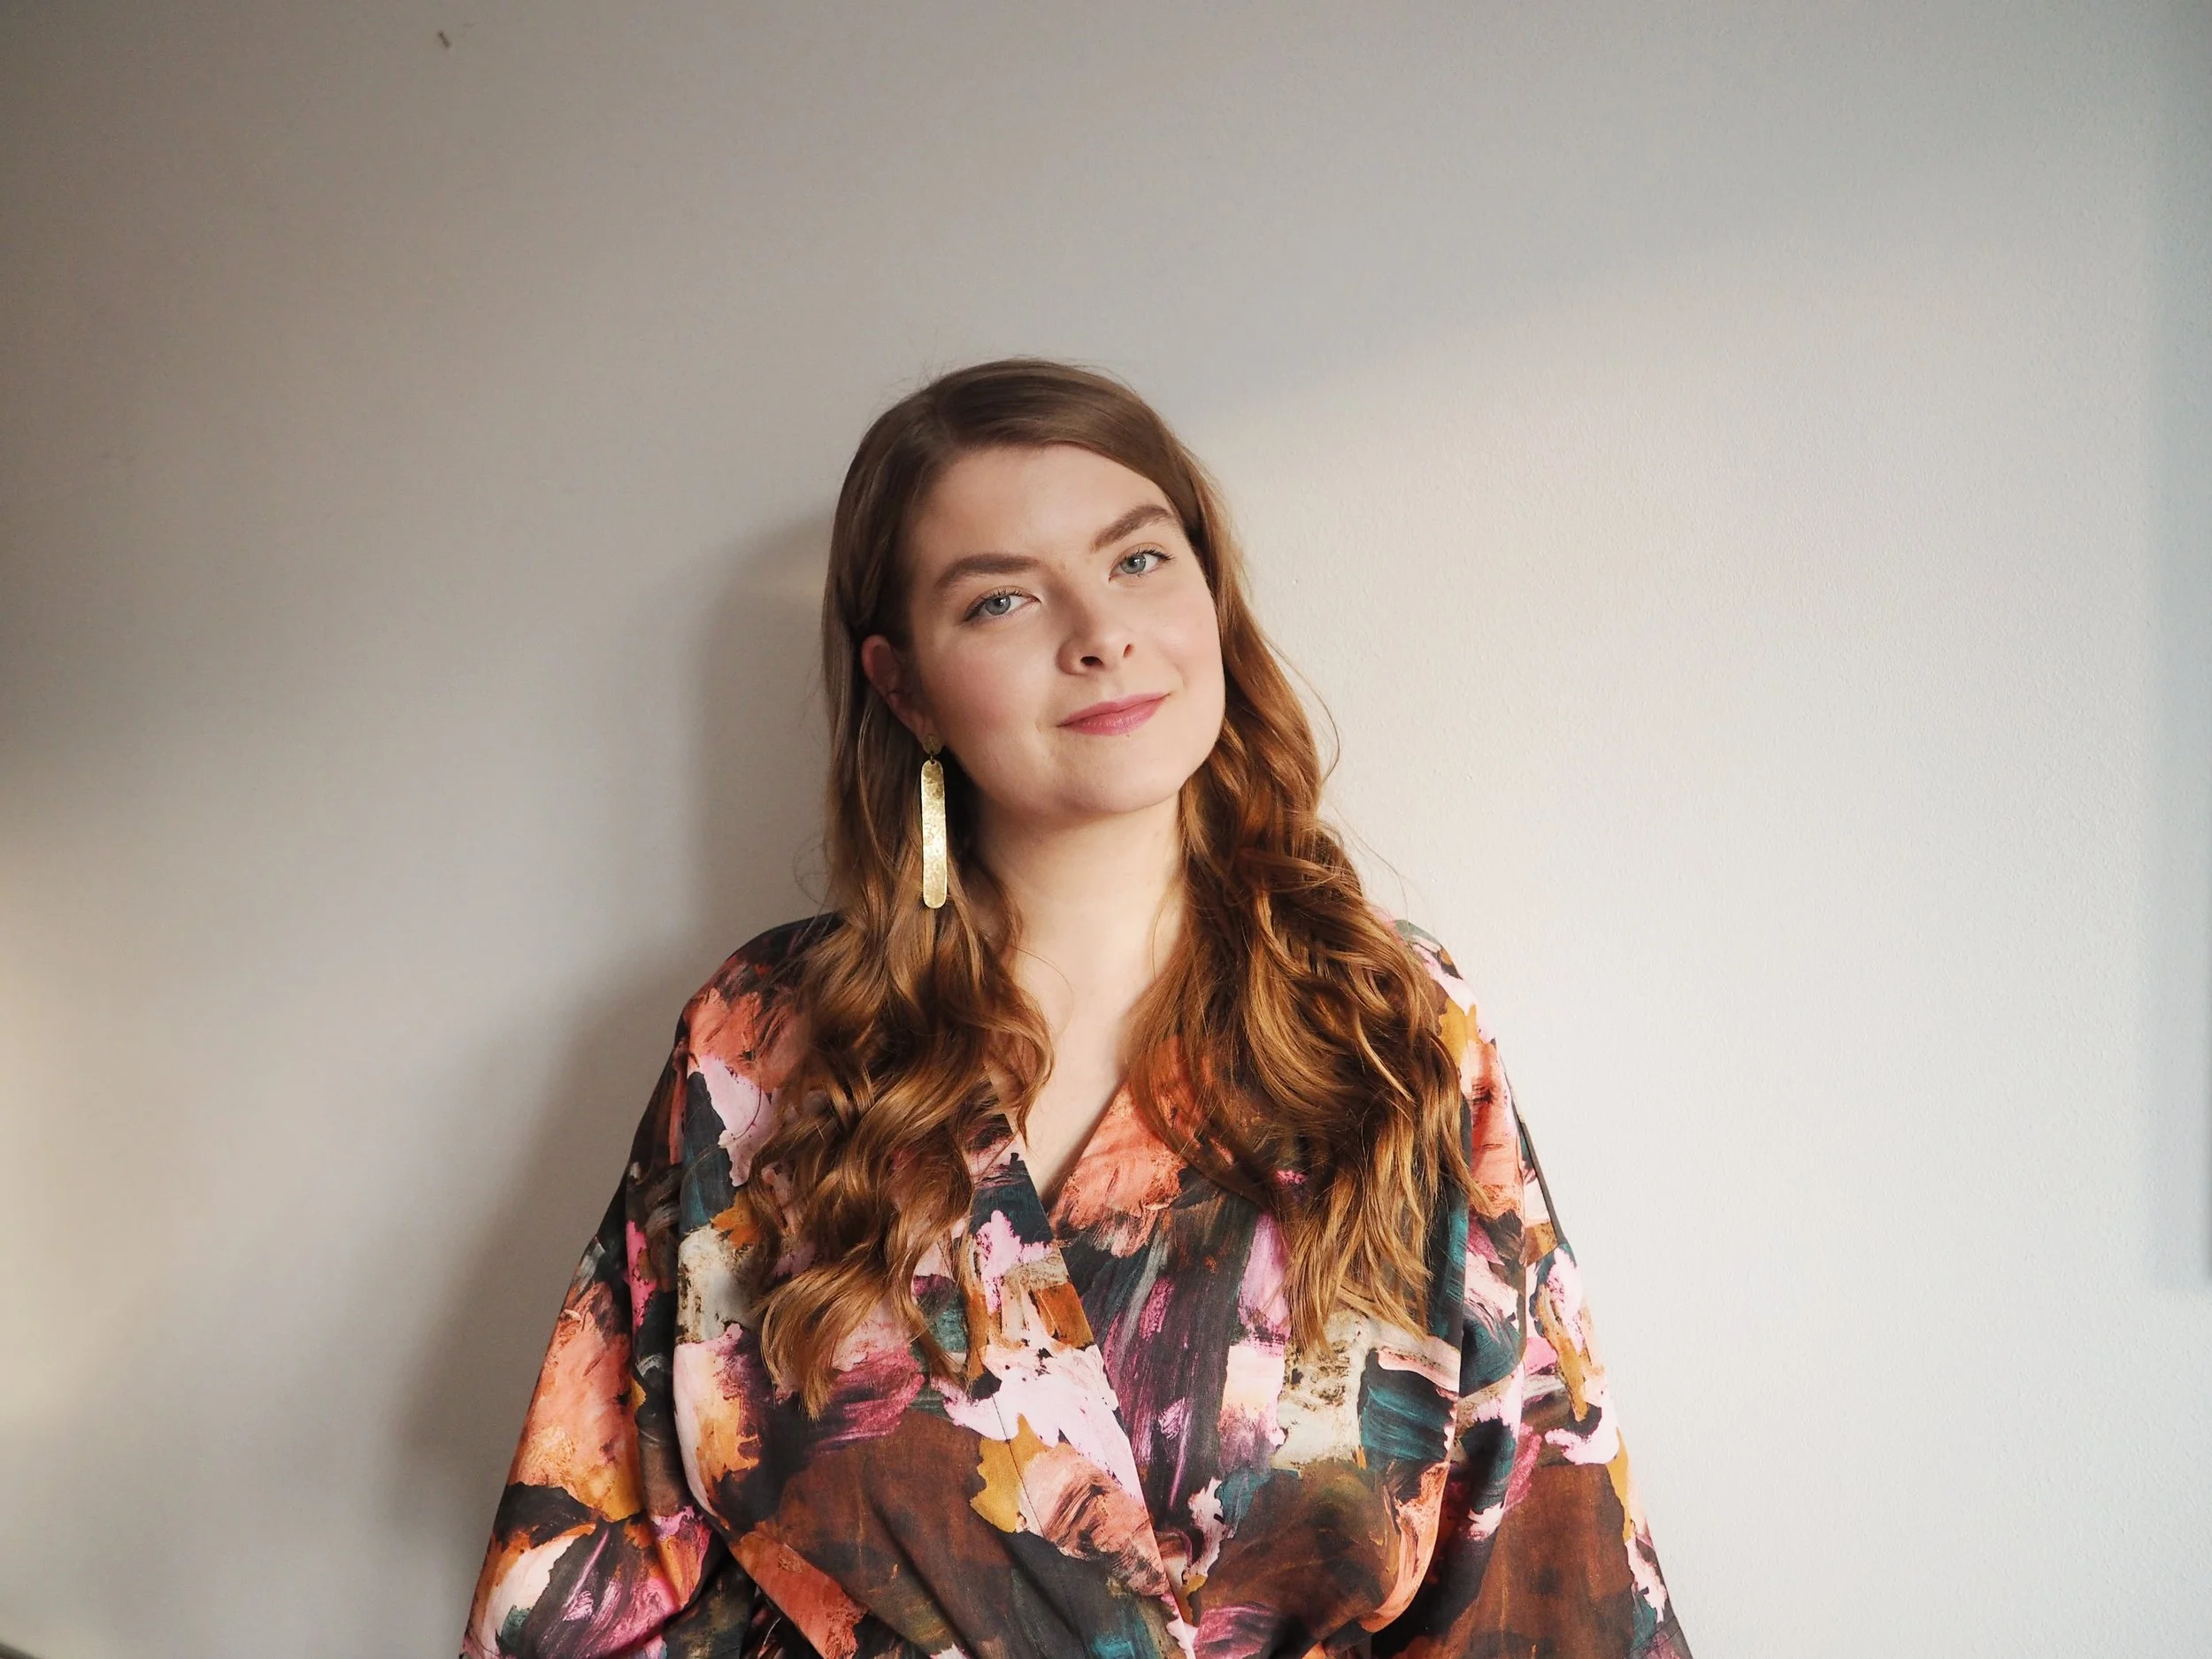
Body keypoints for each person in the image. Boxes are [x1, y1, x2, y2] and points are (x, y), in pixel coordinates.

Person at [460, 358, 1691, 1659]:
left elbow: (1546, 1557)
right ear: (905, 686)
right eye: (1001, 598)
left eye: (1141, 562)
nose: (1099, 630)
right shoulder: (762, 1042)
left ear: (1210, 594)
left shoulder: (1387, 1028)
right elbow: (603, 1550)